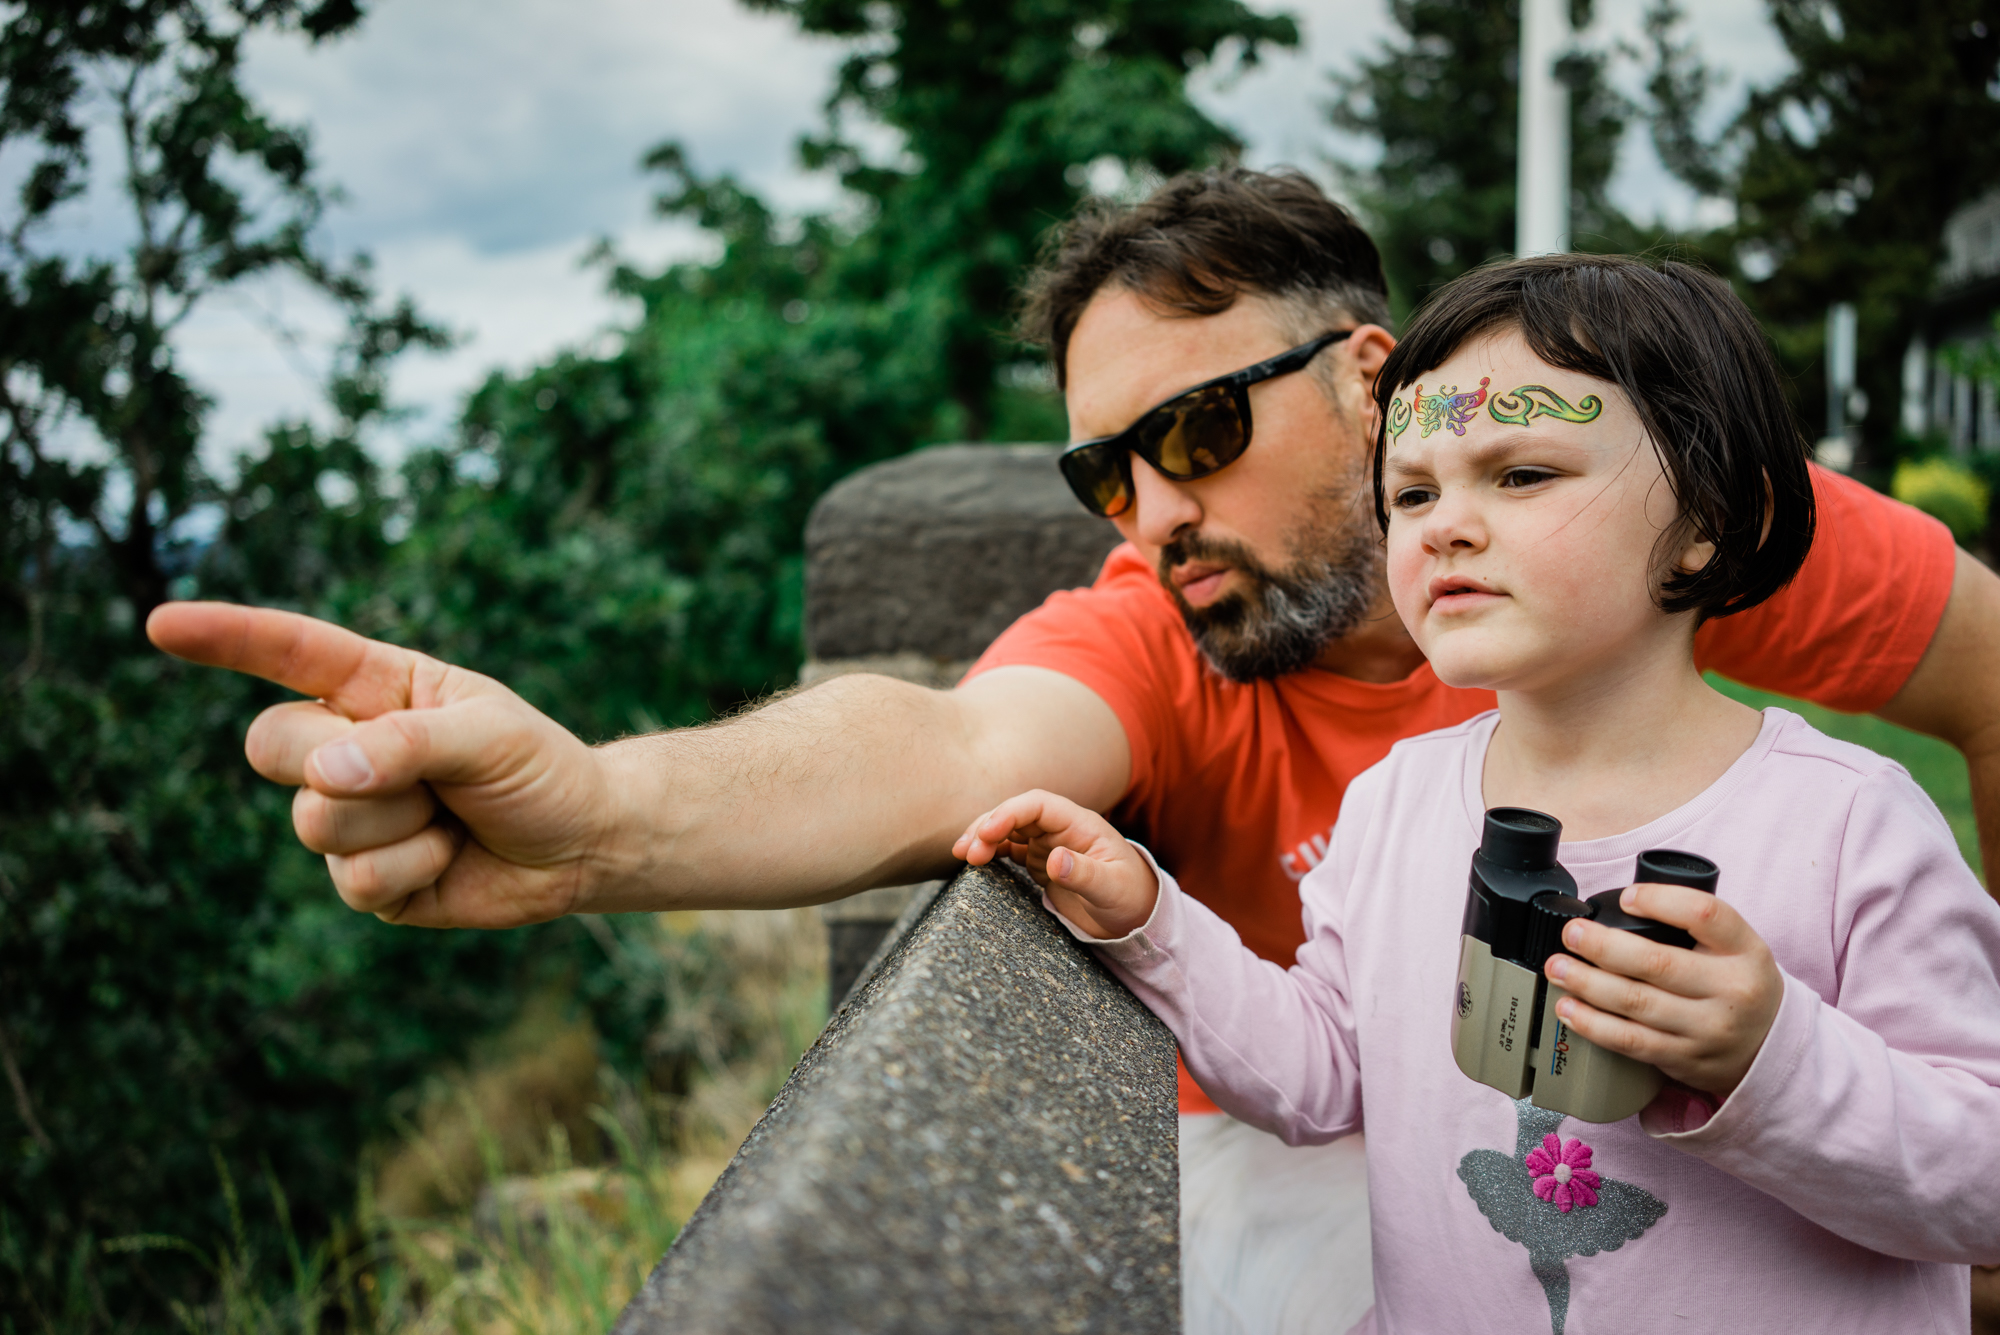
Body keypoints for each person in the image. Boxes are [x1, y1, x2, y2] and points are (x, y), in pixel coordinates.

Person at [144, 170, 2000, 1331]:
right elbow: (939, 747)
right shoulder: (1183, 632)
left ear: (1369, 372)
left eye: (1193, 432)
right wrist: (600, 820)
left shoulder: (1651, 511)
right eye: (1103, 467)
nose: (1147, 515)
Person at [954, 253, 2000, 1333]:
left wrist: (1771, 1060)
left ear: (1706, 514)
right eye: (1410, 492)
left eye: (1520, 475)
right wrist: (1147, 919)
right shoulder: (1395, 807)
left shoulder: (1843, 828)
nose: (1443, 524)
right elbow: (1318, 1072)